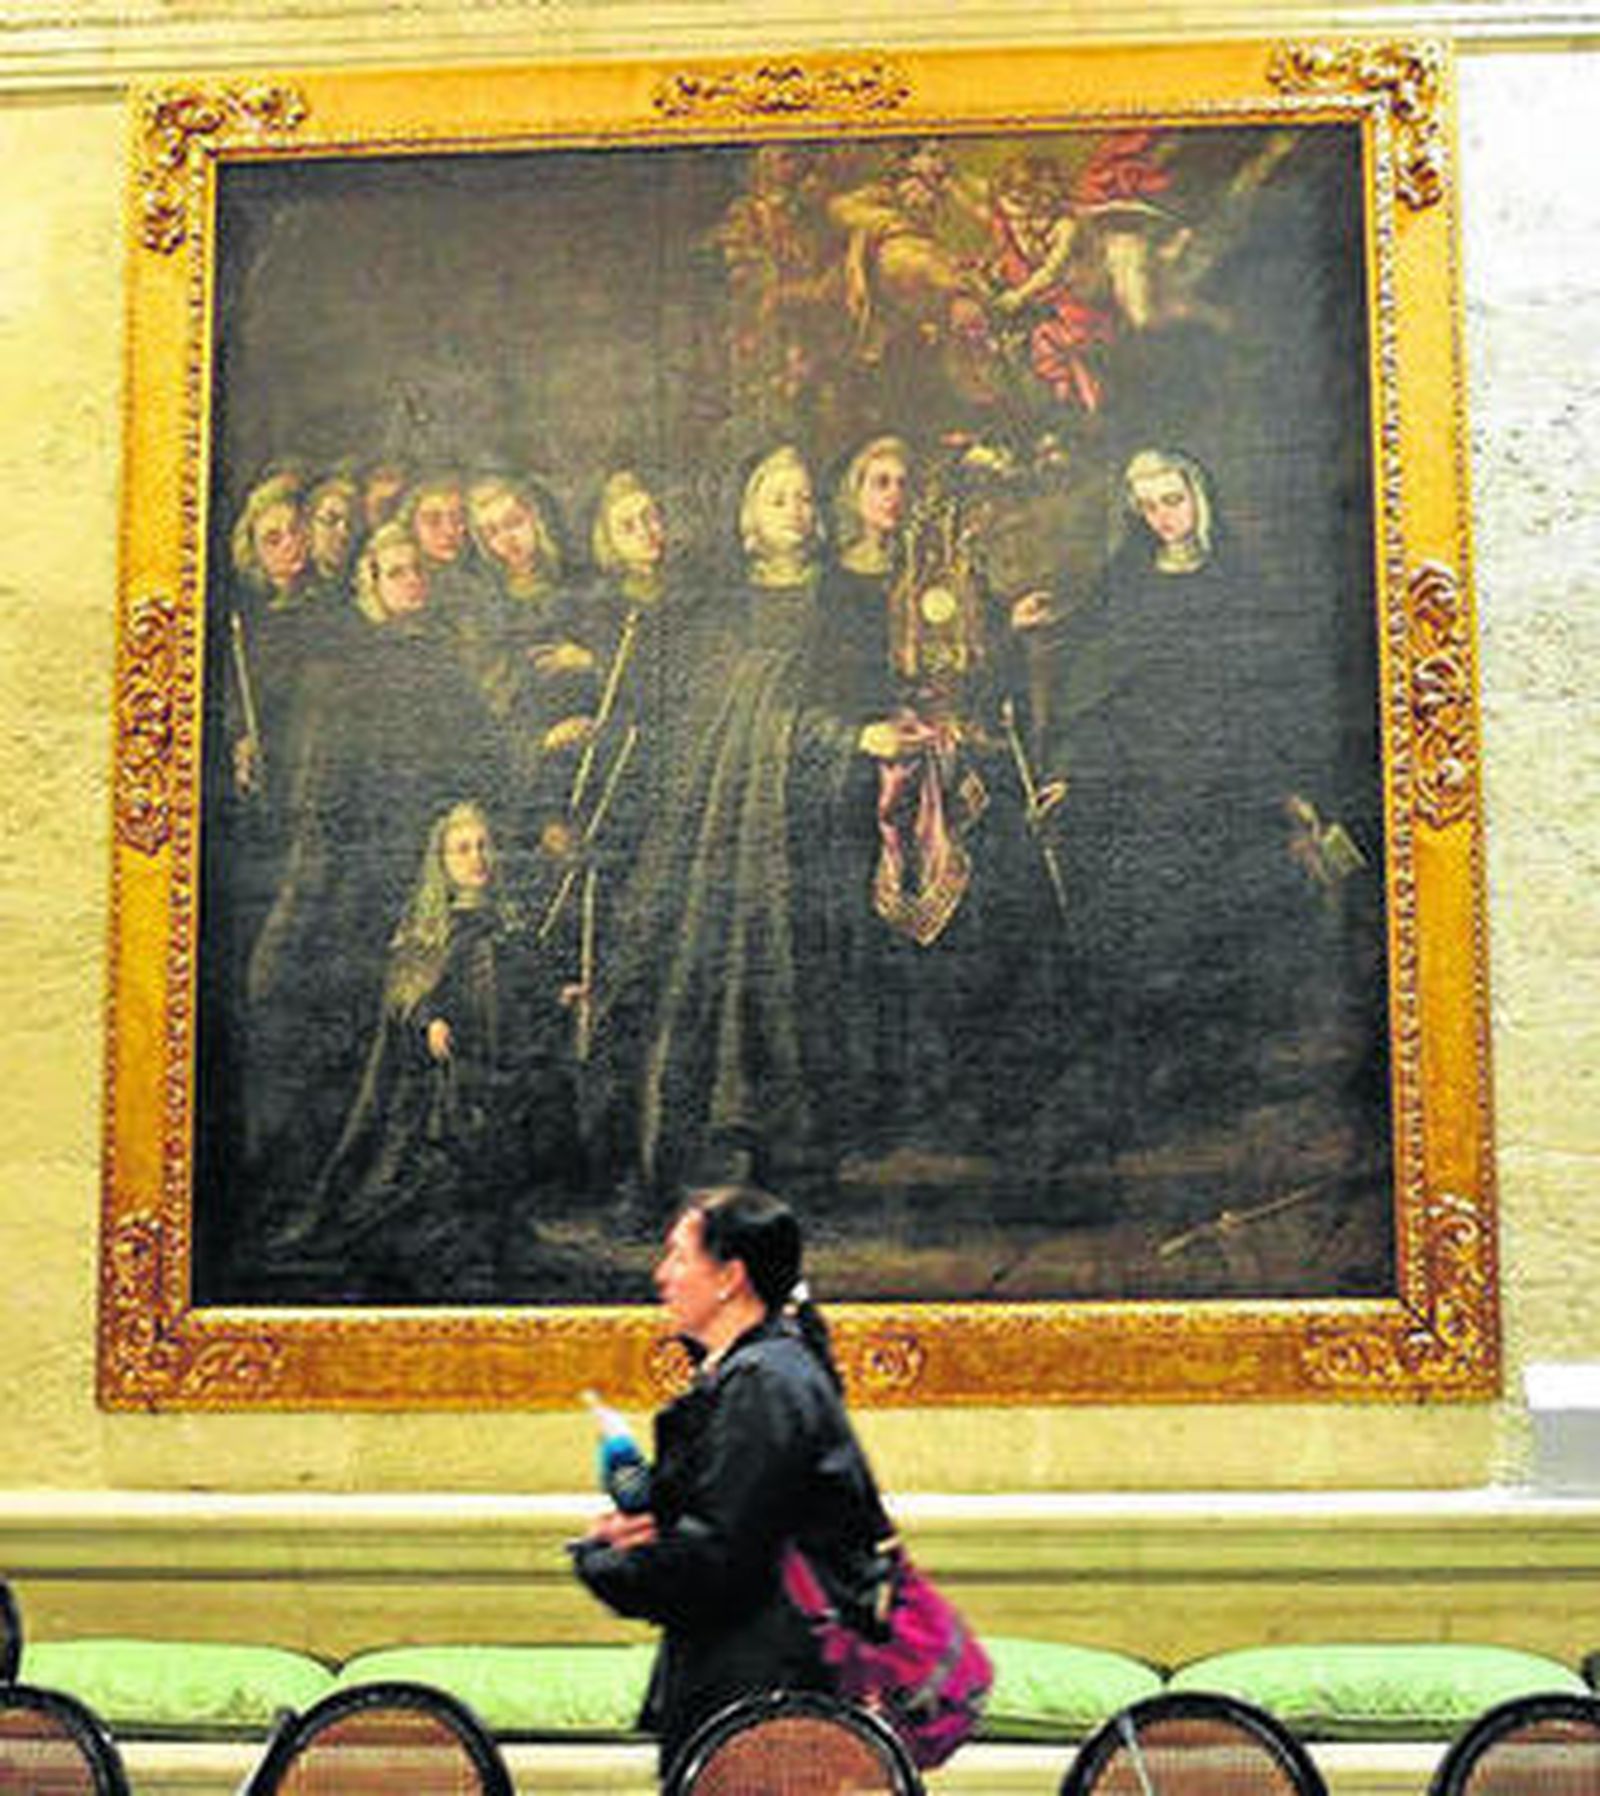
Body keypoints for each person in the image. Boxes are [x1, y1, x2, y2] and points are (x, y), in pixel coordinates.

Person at [571, 1186, 891, 1777]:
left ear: (729, 1278)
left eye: (678, 1256)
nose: (662, 1275)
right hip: (757, 1692)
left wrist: (602, 1560)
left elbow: (718, 1559)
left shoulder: (763, 1384)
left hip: (762, 1703)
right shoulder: (766, 1371)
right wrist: (650, 1524)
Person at [277, 800, 578, 1300]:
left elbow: (525, 985)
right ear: (442, 862)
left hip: (496, 1059)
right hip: (444, 1069)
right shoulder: (426, 929)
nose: (477, 858)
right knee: (437, 1172)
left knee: (501, 1152)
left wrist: (558, 994)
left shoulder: (509, 923)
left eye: (483, 846)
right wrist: (429, 1019)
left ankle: (490, 1248)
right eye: (463, 850)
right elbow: (406, 991)